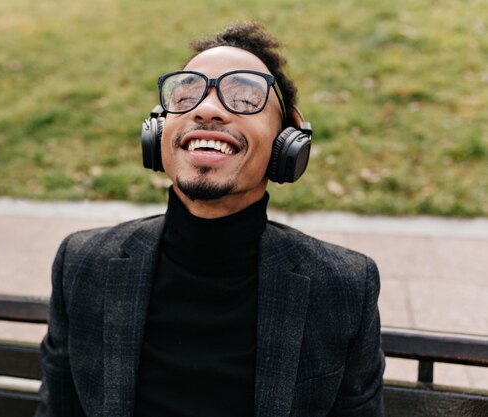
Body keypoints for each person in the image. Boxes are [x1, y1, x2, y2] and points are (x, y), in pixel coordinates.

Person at [36, 21, 385, 417]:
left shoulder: (344, 287)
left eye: (243, 98)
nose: (207, 109)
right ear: (158, 132)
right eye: (186, 95)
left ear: (287, 143)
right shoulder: (82, 263)